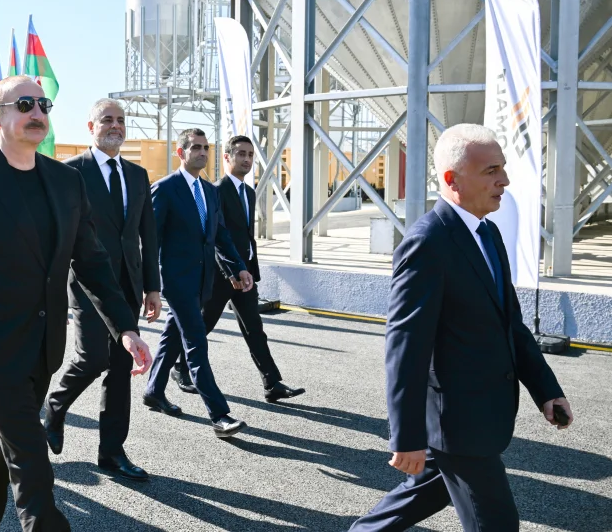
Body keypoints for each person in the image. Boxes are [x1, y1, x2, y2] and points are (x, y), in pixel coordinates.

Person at [0, 75, 154, 532]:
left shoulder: (66, 181)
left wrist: (125, 328)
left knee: (1, 452)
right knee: (33, 464)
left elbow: (92, 263)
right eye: (24, 104)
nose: (36, 112)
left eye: (43, 105)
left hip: (44, 347)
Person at [349, 124, 573, 532]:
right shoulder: (428, 243)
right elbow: (406, 347)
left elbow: (510, 323)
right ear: (453, 180)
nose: (504, 180)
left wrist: (546, 389)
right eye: (491, 171)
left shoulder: (488, 233)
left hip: (481, 417)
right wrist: (407, 437)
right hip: (458, 424)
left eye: (503, 168)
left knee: (422, 495)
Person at [43, 98, 162, 482]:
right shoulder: (70, 172)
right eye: (107, 119)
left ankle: (111, 452)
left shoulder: (138, 175)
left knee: (122, 367)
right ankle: (56, 405)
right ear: (91, 127)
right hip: (87, 282)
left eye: (121, 120)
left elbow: (148, 235)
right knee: (92, 358)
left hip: (128, 284)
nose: (116, 126)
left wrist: (152, 287)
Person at [172, 135, 305, 403]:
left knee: (254, 328)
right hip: (222, 276)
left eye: (250, 155)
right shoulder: (216, 191)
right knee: (203, 325)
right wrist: (231, 271)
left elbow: (245, 235)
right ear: (227, 157)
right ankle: (180, 368)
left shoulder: (249, 192)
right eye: (241, 154)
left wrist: (249, 269)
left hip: (245, 274)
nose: (246, 159)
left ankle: (272, 383)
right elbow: (214, 238)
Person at [143, 128, 253, 438]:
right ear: (181, 153)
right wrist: (150, 286)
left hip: (203, 280)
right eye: (195, 148)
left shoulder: (210, 190)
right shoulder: (165, 189)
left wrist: (238, 268)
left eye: (206, 147)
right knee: (196, 343)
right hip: (176, 280)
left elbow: (220, 235)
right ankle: (220, 415)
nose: (203, 152)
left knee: (172, 336)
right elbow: (150, 241)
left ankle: (153, 391)